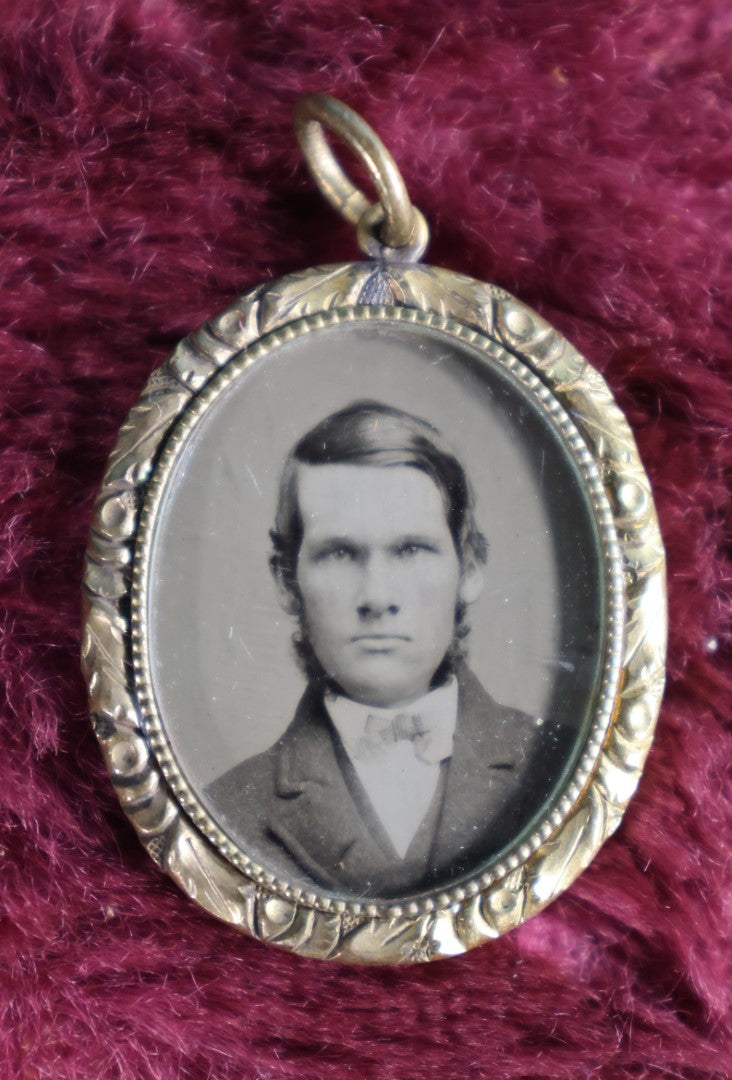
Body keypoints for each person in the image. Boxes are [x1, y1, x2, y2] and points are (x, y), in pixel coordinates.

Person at [206, 401, 568, 898]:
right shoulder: (225, 810)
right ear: (288, 581)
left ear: (470, 568)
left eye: (410, 550)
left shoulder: (559, 766)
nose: (377, 597)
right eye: (339, 553)